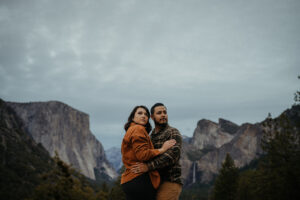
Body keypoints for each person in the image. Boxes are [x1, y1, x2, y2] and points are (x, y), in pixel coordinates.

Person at [121, 105, 176, 200]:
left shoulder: (130, 130)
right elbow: (143, 155)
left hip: (129, 179)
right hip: (140, 179)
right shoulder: (138, 129)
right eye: (139, 113)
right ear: (133, 117)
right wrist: (162, 149)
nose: (143, 116)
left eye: (146, 114)